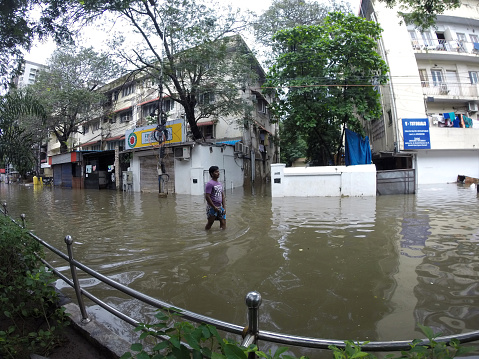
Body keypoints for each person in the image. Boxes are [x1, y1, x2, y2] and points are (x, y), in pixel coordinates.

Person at [205, 166, 226, 230]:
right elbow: (207, 196)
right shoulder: (209, 184)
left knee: (223, 222)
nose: (218, 173)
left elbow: (222, 196)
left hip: (220, 206)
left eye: (218, 171)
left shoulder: (219, 183)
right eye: (216, 172)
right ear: (212, 174)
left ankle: (222, 237)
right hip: (212, 207)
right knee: (210, 223)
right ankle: (208, 236)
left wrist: (224, 207)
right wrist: (214, 207)